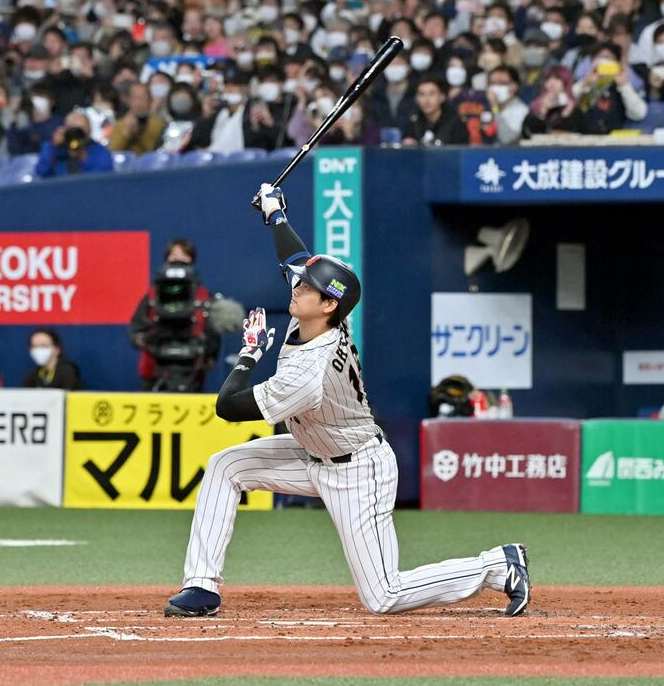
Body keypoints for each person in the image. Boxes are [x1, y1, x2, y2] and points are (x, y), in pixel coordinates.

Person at [163, 183, 531, 619]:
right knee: (226, 467)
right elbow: (295, 259)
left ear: (327, 305)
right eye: (300, 284)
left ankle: (497, 566)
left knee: (384, 596)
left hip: (356, 469)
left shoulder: (308, 372)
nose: (295, 288)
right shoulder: (320, 317)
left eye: (306, 289)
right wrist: (275, 214)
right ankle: (202, 587)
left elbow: (228, 408)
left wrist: (248, 354)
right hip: (314, 451)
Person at [128, 238, 220, 392]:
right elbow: (135, 329)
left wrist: (208, 356)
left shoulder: (204, 297)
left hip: (192, 373)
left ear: (192, 260)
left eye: (184, 256)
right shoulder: (152, 296)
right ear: (166, 259)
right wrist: (143, 340)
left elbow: (213, 336)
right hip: (154, 371)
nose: (179, 260)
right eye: (174, 255)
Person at [35, 109, 113, 178]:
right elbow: (41, 174)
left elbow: (99, 179)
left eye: (80, 132)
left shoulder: (100, 152)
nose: (76, 137)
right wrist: (52, 146)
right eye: (72, 131)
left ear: (89, 133)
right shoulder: (55, 150)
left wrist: (81, 155)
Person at [402, 74, 469, 146]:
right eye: (422, 94)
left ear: (442, 97)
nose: (426, 100)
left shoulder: (456, 123)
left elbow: (460, 153)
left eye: (432, 94)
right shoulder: (413, 121)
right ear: (416, 98)